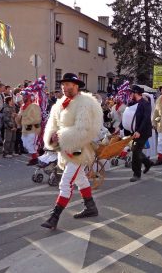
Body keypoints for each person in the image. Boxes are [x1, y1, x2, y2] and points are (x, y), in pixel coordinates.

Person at [41, 73, 103, 230]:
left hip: (80, 151)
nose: (64, 87)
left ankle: (54, 217)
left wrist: (60, 136)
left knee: (66, 182)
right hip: (66, 149)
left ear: (76, 86)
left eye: (68, 84)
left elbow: (84, 129)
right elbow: (53, 125)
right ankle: (91, 207)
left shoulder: (86, 103)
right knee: (80, 180)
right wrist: (52, 138)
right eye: (63, 84)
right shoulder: (60, 103)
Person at [121, 85, 154, 182]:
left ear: (135, 93)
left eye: (131, 93)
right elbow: (127, 117)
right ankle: (147, 163)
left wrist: (139, 131)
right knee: (136, 150)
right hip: (134, 131)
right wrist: (120, 127)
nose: (129, 95)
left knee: (135, 151)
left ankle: (136, 174)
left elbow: (145, 119)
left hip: (143, 131)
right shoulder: (133, 103)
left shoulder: (145, 104)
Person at [17, 92, 42, 165]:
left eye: (25, 96)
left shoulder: (35, 106)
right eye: (23, 96)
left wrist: (25, 121)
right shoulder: (22, 106)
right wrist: (17, 118)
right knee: (25, 144)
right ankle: (37, 156)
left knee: (30, 144)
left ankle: (35, 159)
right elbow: (20, 116)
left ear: (29, 98)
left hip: (33, 129)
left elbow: (37, 119)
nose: (23, 98)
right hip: (25, 129)